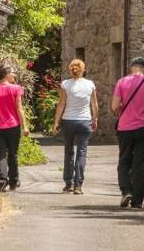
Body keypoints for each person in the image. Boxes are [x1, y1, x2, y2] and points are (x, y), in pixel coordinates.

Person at [111, 57, 144, 210]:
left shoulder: (122, 82)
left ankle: (126, 191)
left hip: (125, 127)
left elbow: (114, 106)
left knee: (124, 160)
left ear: (132, 67)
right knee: (139, 164)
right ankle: (138, 201)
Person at [53, 59, 98, 195]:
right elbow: (94, 105)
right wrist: (95, 119)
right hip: (85, 121)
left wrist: (56, 122)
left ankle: (68, 183)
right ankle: (78, 185)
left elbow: (61, 104)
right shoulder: (90, 84)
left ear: (71, 69)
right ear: (83, 69)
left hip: (69, 121)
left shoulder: (66, 84)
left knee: (69, 152)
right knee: (82, 152)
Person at [0, 64, 29, 192]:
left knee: (0, 155)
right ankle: (13, 181)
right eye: (13, 72)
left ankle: (2, 181)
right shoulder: (16, 89)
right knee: (13, 154)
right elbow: (19, 108)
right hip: (13, 126)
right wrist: (24, 126)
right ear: (6, 75)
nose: (14, 75)